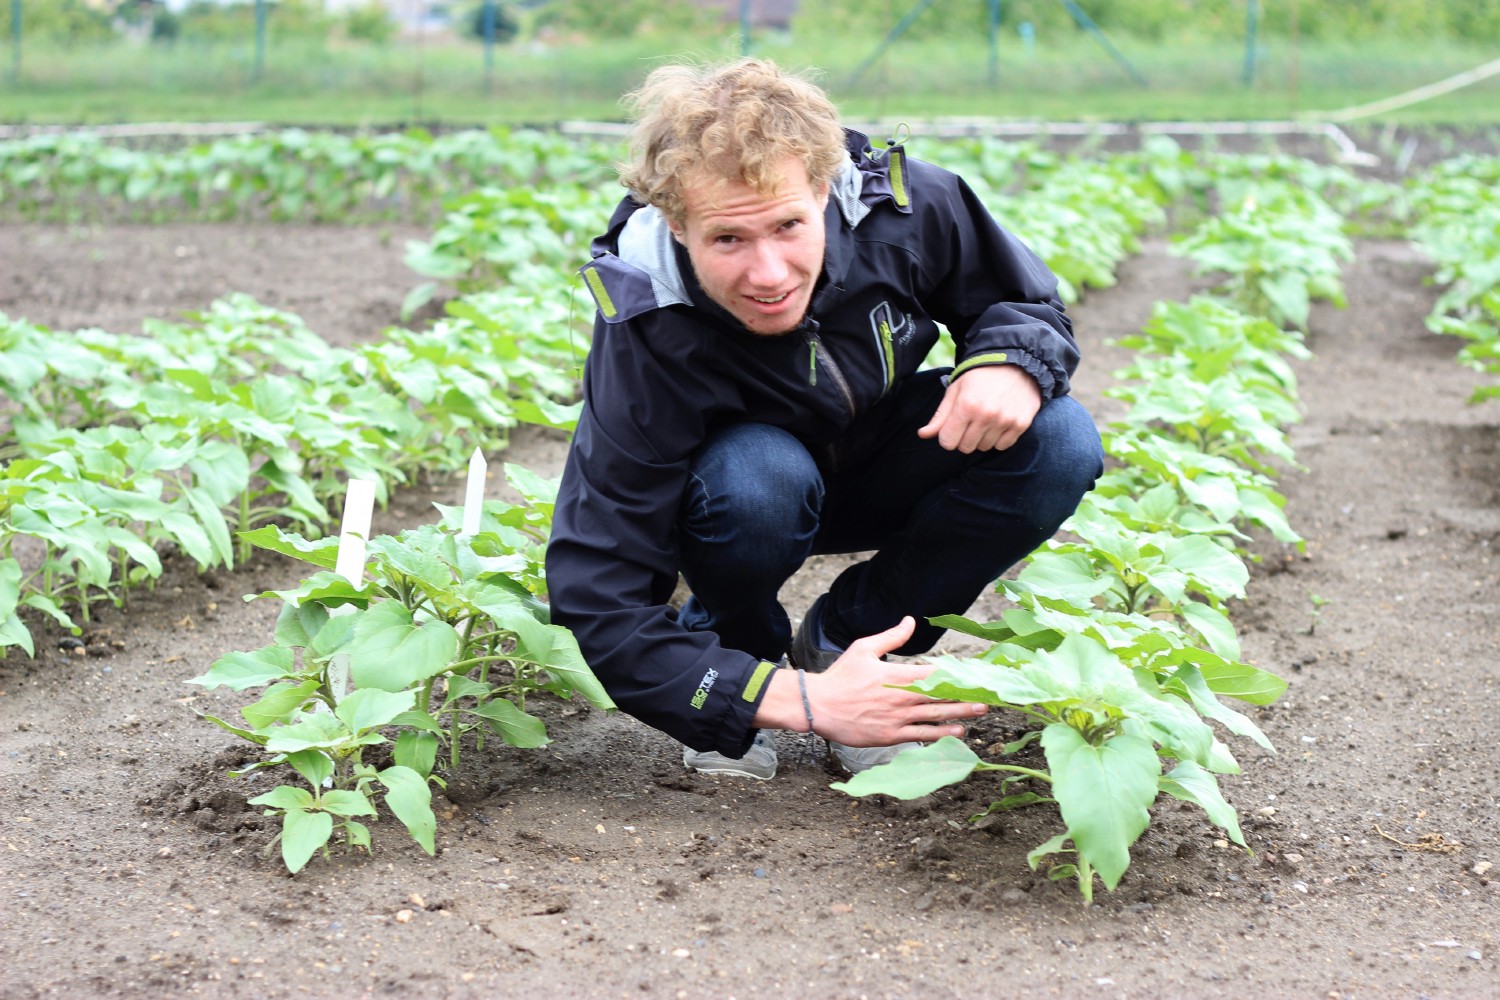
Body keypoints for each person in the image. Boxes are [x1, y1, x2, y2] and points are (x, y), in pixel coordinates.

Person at [546, 58, 1102, 780]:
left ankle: (853, 646)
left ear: (820, 188)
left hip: (884, 457)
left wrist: (1007, 361)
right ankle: (739, 655)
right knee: (757, 476)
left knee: (1057, 439)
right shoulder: (645, 321)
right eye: (728, 240)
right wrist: (787, 701)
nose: (770, 273)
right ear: (676, 224)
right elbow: (598, 596)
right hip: (742, 501)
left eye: (788, 226)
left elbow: (1022, 302)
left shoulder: (903, 208)